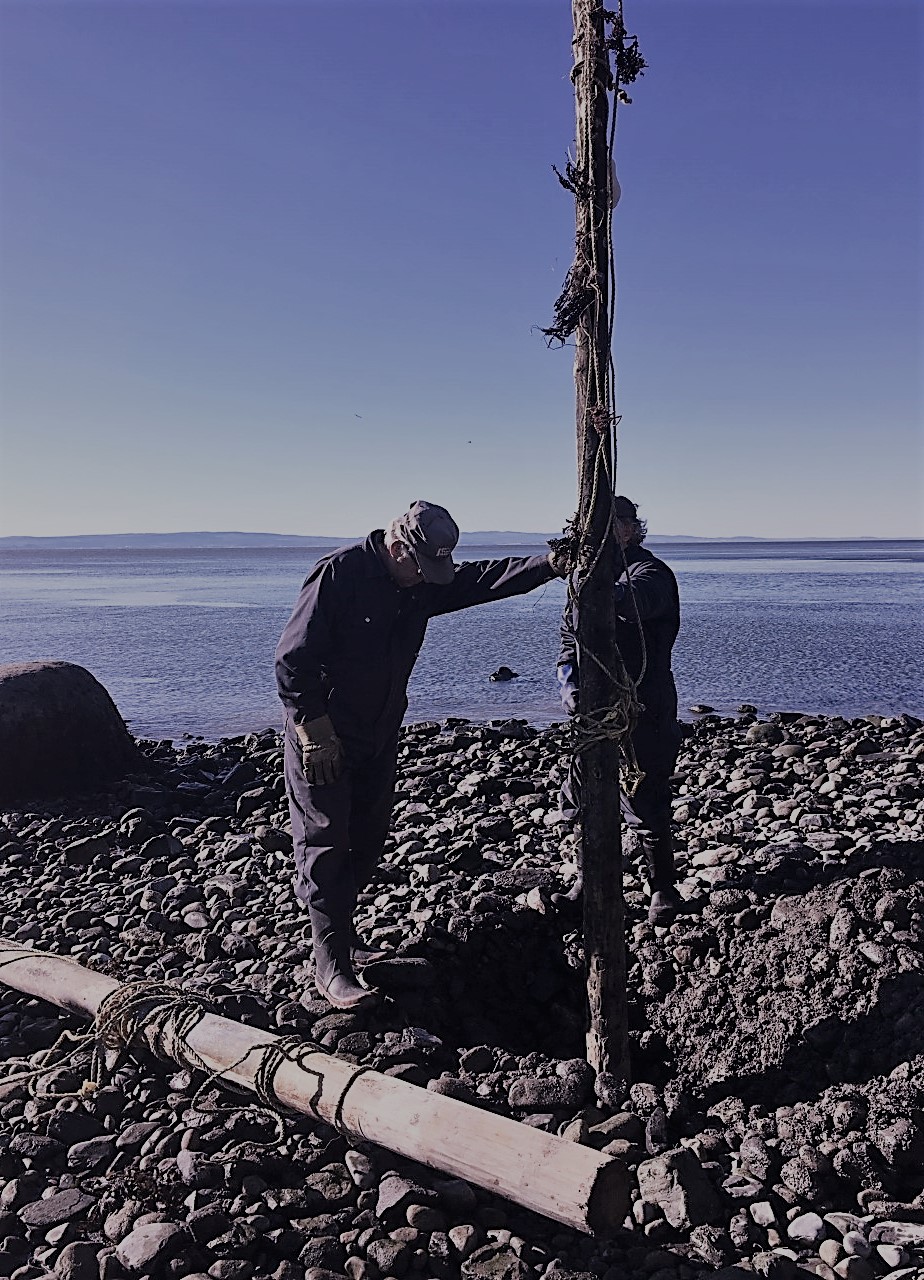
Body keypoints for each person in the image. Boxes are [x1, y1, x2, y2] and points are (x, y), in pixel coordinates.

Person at [275, 500, 562, 1009]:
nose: (427, 579)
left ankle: (344, 937)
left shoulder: (418, 584)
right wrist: (314, 729)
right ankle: (330, 962)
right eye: (421, 567)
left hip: (378, 730)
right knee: (325, 837)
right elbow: (292, 660)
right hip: (323, 734)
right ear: (396, 546)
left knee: (368, 835)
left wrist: (549, 564)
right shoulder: (340, 573)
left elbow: (482, 580)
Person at [556, 495, 683, 927]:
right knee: (581, 794)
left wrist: (591, 580)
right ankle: (588, 880)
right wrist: (568, 685)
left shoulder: (651, 573)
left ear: (630, 528)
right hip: (592, 715)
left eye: (611, 525)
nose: (602, 534)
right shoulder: (586, 578)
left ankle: (662, 887)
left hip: (646, 707)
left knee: (644, 799)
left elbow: (634, 601)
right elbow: (567, 640)